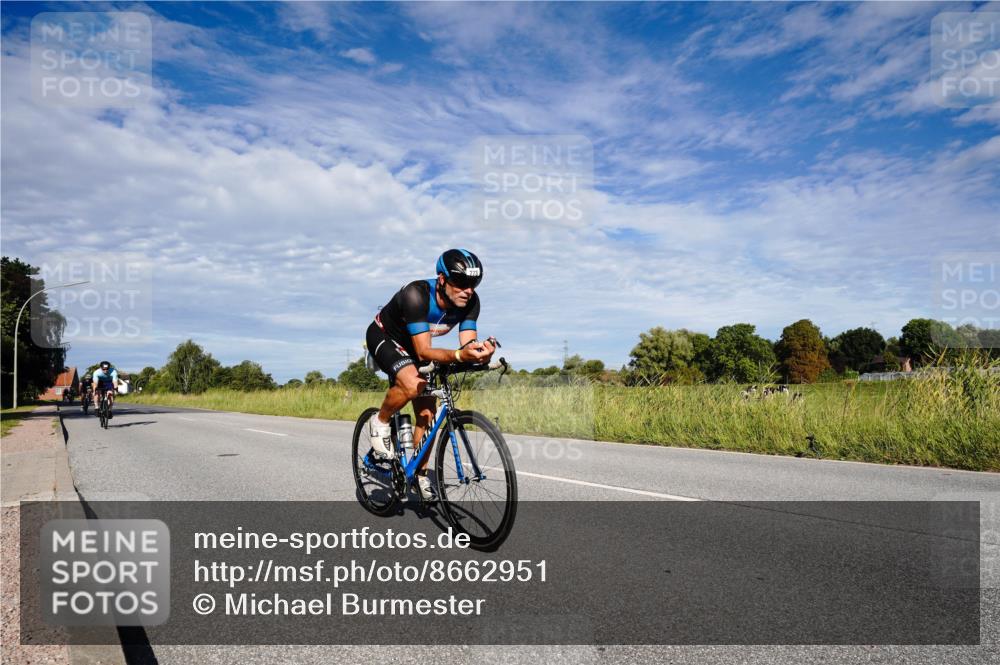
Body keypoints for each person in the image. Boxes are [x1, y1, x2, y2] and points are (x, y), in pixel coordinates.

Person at [365, 249, 495, 500]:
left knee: (427, 416)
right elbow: (425, 350)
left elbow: (467, 343)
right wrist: (459, 356)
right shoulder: (417, 294)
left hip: (415, 347)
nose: (467, 290)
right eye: (460, 284)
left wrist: (479, 353)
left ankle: (418, 474)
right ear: (442, 279)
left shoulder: (471, 301)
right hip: (385, 337)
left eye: (473, 284)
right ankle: (380, 421)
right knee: (413, 384)